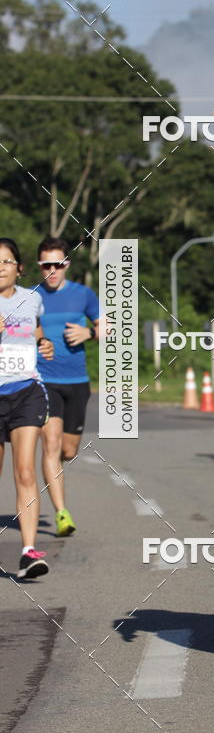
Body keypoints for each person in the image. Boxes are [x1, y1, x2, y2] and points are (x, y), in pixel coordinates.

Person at [35, 237, 100, 536]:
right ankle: (62, 513)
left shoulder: (83, 294)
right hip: (43, 381)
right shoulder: (30, 297)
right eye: (46, 265)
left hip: (77, 382)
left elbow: (108, 327)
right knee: (50, 445)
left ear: (67, 264)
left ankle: (55, 469)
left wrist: (89, 333)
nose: (52, 270)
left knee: (68, 451)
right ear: (39, 266)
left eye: (58, 264)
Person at [0, 238, 54, 578]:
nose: (0, 268)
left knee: (24, 471)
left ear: (19, 268)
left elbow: (35, 329)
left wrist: (43, 343)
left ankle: (28, 553)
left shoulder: (32, 298)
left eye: (6, 262)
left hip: (26, 391)